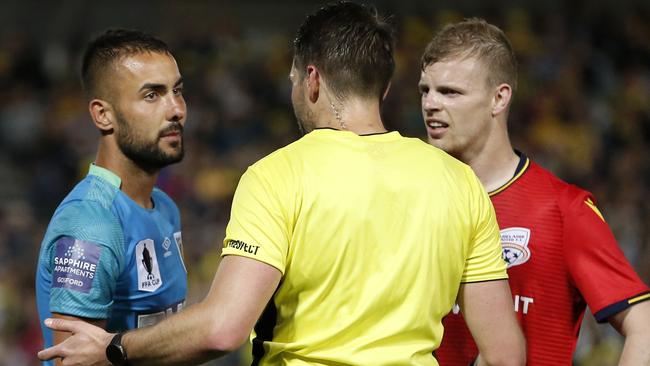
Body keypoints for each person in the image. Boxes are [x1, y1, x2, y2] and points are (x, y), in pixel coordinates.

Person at [38, 4, 525, 366]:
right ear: (385, 87)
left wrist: (118, 350)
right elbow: (505, 354)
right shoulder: (461, 184)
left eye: (293, 79)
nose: (177, 109)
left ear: (311, 81)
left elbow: (224, 327)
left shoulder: (278, 176)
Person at [418, 18, 650, 365]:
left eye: (450, 92)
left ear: (499, 98)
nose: (430, 104)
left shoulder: (562, 210)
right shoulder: (413, 198)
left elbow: (643, 326)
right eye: (425, 90)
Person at [35, 29, 188, 365]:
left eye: (177, 91)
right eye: (152, 95)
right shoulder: (91, 224)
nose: (176, 109)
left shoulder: (165, 207)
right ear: (103, 115)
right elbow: (73, 361)